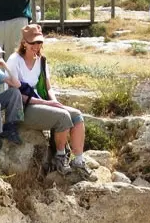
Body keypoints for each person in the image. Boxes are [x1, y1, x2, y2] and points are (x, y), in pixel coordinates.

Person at [7, 24, 95, 180]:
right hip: (23, 108)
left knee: (76, 116)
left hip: (41, 104)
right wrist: (48, 104)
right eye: (33, 43)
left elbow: (48, 88)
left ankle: (79, 161)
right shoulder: (14, 61)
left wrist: (54, 101)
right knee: (62, 117)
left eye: (39, 42)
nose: (37, 46)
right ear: (24, 43)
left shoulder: (42, 60)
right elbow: (15, 94)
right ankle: (60, 157)